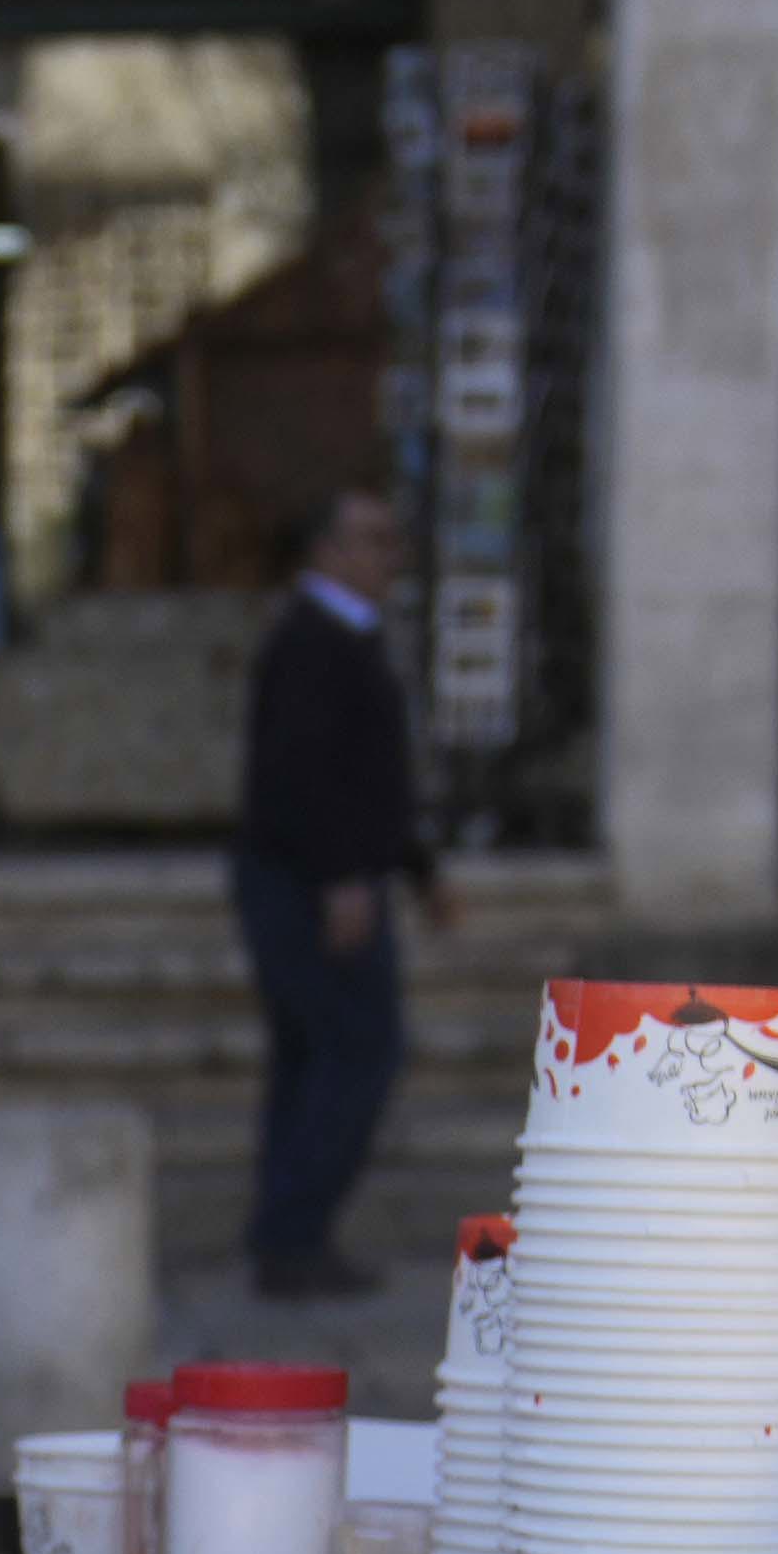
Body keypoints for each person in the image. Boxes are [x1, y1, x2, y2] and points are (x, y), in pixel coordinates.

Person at [228, 486, 439, 1299]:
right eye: (373, 540)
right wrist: (342, 879)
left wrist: (419, 871)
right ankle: (292, 1233)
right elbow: (300, 777)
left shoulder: (345, 639)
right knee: (355, 1050)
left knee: (317, 1055)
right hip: (305, 884)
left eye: (393, 539)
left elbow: (373, 778)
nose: (390, 557)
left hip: (323, 878)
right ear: (328, 550)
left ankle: (290, 1235)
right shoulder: (311, 642)